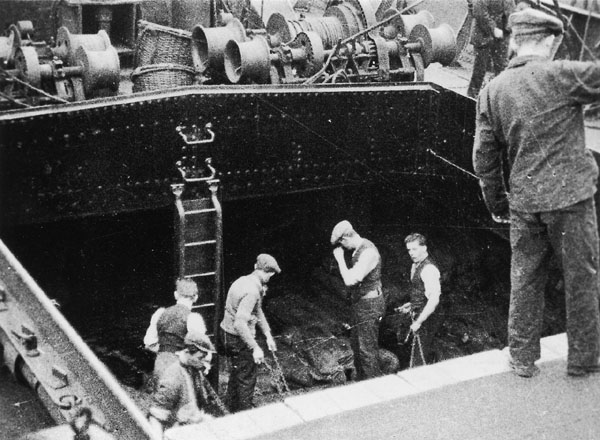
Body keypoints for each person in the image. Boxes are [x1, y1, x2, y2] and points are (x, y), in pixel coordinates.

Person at [472, 8, 600, 377]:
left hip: (524, 204)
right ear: (548, 41)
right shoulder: (562, 75)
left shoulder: (492, 90)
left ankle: (522, 358)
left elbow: (484, 158)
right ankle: (582, 359)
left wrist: (497, 204)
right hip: (570, 199)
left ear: (514, 41)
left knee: (525, 280)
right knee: (581, 275)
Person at [220, 254, 280, 412]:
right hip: (238, 339)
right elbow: (240, 323)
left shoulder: (244, 280)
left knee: (237, 375)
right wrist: (255, 348)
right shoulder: (253, 291)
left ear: (255, 267)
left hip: (226, 334)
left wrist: (267, 335)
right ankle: (245, 416)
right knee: (247, 380)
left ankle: (229, 409)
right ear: (269, 273)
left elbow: (257, 309)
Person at [331, 220, 384, 380]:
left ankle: (373, 388)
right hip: (361, 304)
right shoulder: (358, 250)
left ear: (345, 238)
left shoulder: (368, 252)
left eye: (341, 243)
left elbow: (350, 280)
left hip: (369, 305)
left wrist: (340, 259)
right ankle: (363, 384)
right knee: (357, 347)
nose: (343, 248)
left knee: (367, 351)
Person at [148, 330, 216, 436]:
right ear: (189, 352)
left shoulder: (194, 371)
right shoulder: (173, 377)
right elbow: (156, 415)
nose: (203, 363)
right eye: (200, 358)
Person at [144, 278, 207, 383]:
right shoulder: (194, 319)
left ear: (176, 295)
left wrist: (166, 350)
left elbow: (149, 344)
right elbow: (202, 351)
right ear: (196, 297)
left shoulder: (160, 313)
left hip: (161, 365)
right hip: (182, 369)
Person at [396, 233, 442, 366]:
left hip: (427, 319)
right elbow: (422, 293)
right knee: (414, 355)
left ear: (424, 248)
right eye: (409, 250)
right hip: (418, 315)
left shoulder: (428, 269)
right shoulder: (415, 265)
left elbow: (434, 299)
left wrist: (419, 322)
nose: (411, 253)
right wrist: (411, 304)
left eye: (414, 249)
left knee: (420, 357)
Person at [467, 0, 516, 98]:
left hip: (501, 38)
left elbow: (512, 14)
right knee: (480, 69)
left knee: (502, 68)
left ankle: (498, 98)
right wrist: (493, 29)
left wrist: (507, 30)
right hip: (483, 35)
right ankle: (472, 96)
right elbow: (479, 11)